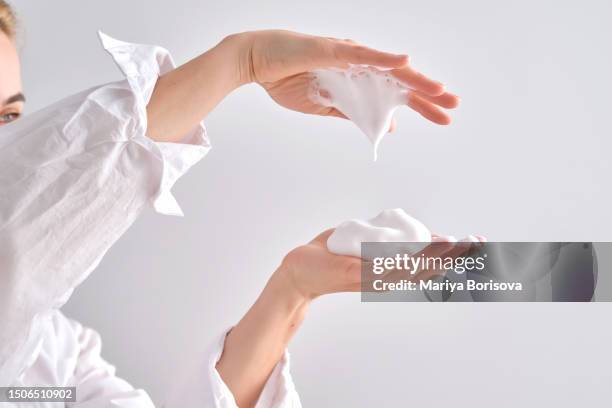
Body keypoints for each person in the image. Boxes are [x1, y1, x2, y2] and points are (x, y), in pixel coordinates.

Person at [0, 1, 462, 407]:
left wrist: (291, 291)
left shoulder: (53, 367)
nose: (14, 148)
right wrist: (239, 63)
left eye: (9, 119)